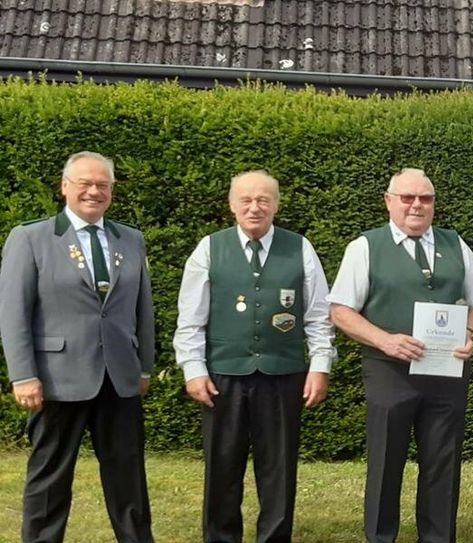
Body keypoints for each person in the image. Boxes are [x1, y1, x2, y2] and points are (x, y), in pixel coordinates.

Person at [328, 168, 473, 543]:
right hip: (390, 371)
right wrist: (385, 341)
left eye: (426, 198)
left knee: (443, 463)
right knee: (386, 462)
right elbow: (341, 310)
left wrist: (469, 332)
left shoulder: (455, 244)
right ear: (389, 201)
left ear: (434, 204)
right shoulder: (365, 247)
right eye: (407, 197)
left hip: (445, 372)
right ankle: (381, 537)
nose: (417, 205)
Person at [0, 151, 156, 542]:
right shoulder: (31, 237)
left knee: (128, 477)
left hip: (118, 378)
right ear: (64, 187)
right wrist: (23, 374)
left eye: (103, 184)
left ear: (112, 191)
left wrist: (144, 367)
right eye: (85, 183)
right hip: (56, 379)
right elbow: (13, 313)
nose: (94, 191)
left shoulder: (130, 239)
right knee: (50, 477)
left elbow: (144, 309)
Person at [173, 170, 336, 542]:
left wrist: (320, 366)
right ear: (232, 205)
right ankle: (221, 537)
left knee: (278, 468)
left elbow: (318, 315)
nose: (255, 207)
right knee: (222, 466)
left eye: (264, 200)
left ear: (276, 205)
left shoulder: (300, 248)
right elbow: (191, 318)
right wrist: (193, 370)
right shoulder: (209, 249)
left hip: (283, 374)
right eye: (246, 200)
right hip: (223, 375)